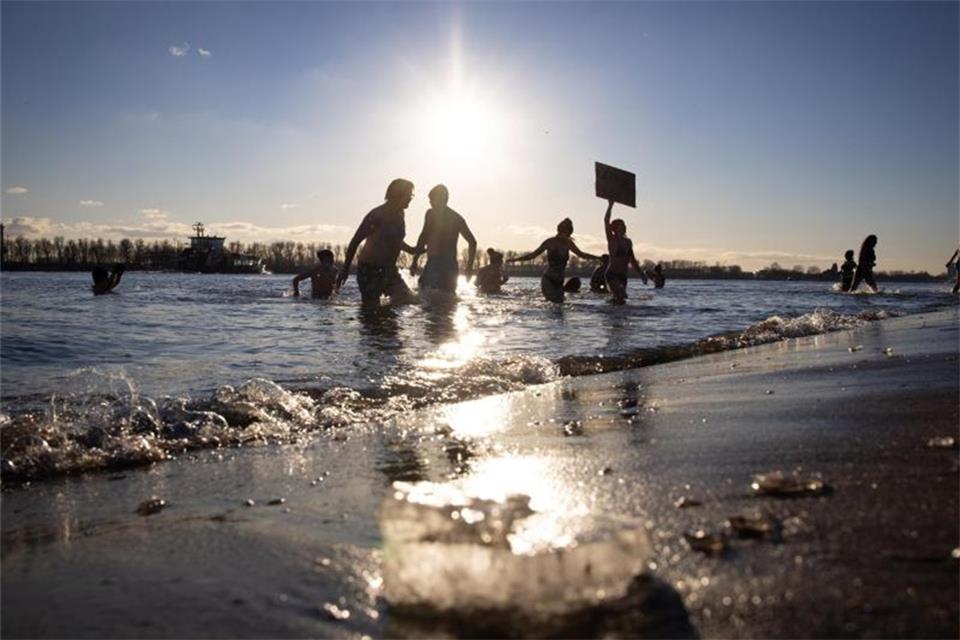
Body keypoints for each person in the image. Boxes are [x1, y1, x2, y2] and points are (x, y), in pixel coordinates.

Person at [336, 178, 420, 306]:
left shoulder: (400, 215)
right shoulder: (377, 215)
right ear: (398, 194)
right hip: (370, 270)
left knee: (408, 301)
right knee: (371, 311)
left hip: (389, 270)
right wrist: (345, 269)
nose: (410, 198)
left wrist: (412, 250)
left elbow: (395, 241)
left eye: (411, 195)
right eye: (409, 195)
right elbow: (355, 241)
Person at [507, 218, 601, 303]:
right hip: (548, 279)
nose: (567, 236)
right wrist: (515, 259)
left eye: (569, 234)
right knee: (552, 305)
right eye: (566, 233)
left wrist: (597, 258)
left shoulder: (569, 244)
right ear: (560, 231)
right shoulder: (549, 242)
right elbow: (533, 255)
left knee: (559, 308)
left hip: (559, 282)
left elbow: (582, 255)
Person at [409, 184, 477, 295]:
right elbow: (423, 237)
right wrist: (414, 261)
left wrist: (469, 267)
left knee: (426, 294)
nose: (430, 203)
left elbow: (472, 242)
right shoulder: (453, 217)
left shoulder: (436, 215)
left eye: (432, 200)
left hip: (442, 264)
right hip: (444, 264)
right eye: (430, 201)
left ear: (443, 199)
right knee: (442, 297)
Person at [603, 200, 645, 304]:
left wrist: (641, 274)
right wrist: (610, 205)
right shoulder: (611, 239)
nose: (624, 227)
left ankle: (610, 308)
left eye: (624, 225)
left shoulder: (628, 242)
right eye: (621, 225)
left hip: (622, 276)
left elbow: (632, 260)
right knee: (621, 295)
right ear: (615, 228)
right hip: (612, 274)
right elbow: (606, 220)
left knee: (620, 301)